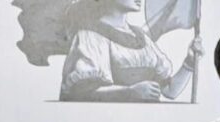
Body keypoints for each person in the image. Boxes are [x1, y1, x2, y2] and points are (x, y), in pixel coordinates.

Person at [60, 0, 203, 101]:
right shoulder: (91, 35)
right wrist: (129, 93)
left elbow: (170, 91)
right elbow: (80, 93)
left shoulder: (142, 38)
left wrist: (189, 61)